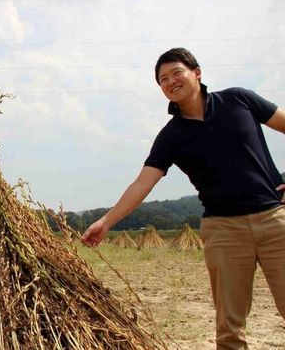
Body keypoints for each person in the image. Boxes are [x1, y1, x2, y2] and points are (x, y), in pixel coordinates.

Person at [81, 47, 285, 349]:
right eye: (162, 79)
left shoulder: (238, 100)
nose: (170, 81)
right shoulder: (171, 136)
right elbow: (142, 184)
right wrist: (106, 221)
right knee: (229, 328)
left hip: (275, 220)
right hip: (223, 231)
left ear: (197, 73)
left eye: (176, 72)